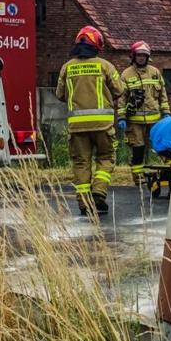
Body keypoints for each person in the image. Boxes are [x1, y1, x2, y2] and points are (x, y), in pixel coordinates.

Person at [57, 25, 125, 216]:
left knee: (81, 163)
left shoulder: (67, 67)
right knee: (106, 158)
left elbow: (60, 94)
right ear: (97, 44)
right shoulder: (105, 66)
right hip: (103, 125)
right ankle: (98, 193)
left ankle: (84, 204)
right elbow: (119, 90)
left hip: (77, 127)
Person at [119, 41, 171, 182]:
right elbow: (121, 98)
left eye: (144, 55)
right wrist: (121, 117)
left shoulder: (155, 72)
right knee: (138, 148)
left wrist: (166, 112)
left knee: (162, 145)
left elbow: (163, 95)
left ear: (148, 57)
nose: (141, 58)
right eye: (139, 55)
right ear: (133, 56)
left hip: (155, 120)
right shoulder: (126, 74)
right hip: (134, 121)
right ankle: (138, 177)